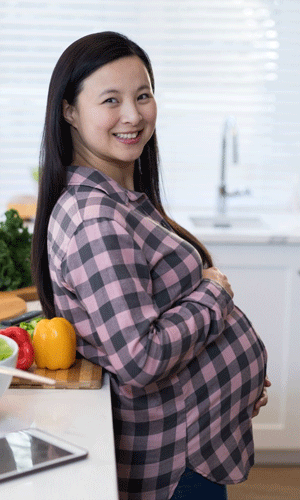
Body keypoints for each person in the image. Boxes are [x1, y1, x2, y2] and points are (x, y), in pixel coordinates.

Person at [31, 31, 270, 500]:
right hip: (175, 465)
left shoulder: (117, 199)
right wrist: (214, 291)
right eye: (110, 100)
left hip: (196, 440)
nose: (133, 114)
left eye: (143, 95)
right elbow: (142, 358)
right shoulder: (95, 220)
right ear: (69, 111)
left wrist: (229, 395)